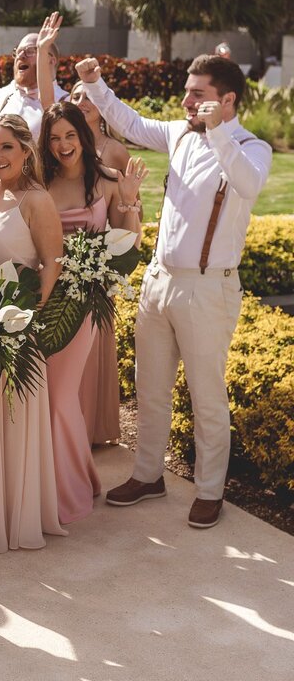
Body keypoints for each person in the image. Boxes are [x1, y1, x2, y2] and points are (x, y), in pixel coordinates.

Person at [76, 54, 271, 529]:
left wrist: (219, 129)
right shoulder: (181, 134)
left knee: (206, 396)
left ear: (227, 100)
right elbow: (131, 121)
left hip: (209, 290)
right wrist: (96, 84)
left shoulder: (251, 146)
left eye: (197, 94)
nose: (185, 101)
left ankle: (209, 491)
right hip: (158, 282)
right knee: (150, 388)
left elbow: (247, 183)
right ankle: (148, 475)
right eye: (187, 91)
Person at [0, 113, 66, 553]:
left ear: (25, 151)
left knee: (12, 419)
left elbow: (51, 262)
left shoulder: (36, 199)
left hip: (17, 331)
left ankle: (13, 515)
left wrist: (25, 318)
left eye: (7, 147)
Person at [38, 99, 146, 524]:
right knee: (43, 395)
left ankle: (69, 491)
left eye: (70, 135)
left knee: (62, 395)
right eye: (55, 138)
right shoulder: (40, 183)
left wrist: (131, 200)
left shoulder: (107, 180)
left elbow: (127, 245)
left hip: (82, 304)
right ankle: (73, 475)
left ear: (83, 137)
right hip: (42, 301)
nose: (64, 144)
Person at [66, 79, 131, 446]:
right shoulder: (56, 160)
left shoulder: (114, 154)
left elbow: (126, 216)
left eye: (89, 95)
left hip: (94, 277)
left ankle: (90, 430)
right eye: (75, 96)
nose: (81, 101)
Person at [0, 26, 68, 138]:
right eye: (17, 52)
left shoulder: (66, 102)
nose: (21, 56)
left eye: (30, 51)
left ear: (50, 60)